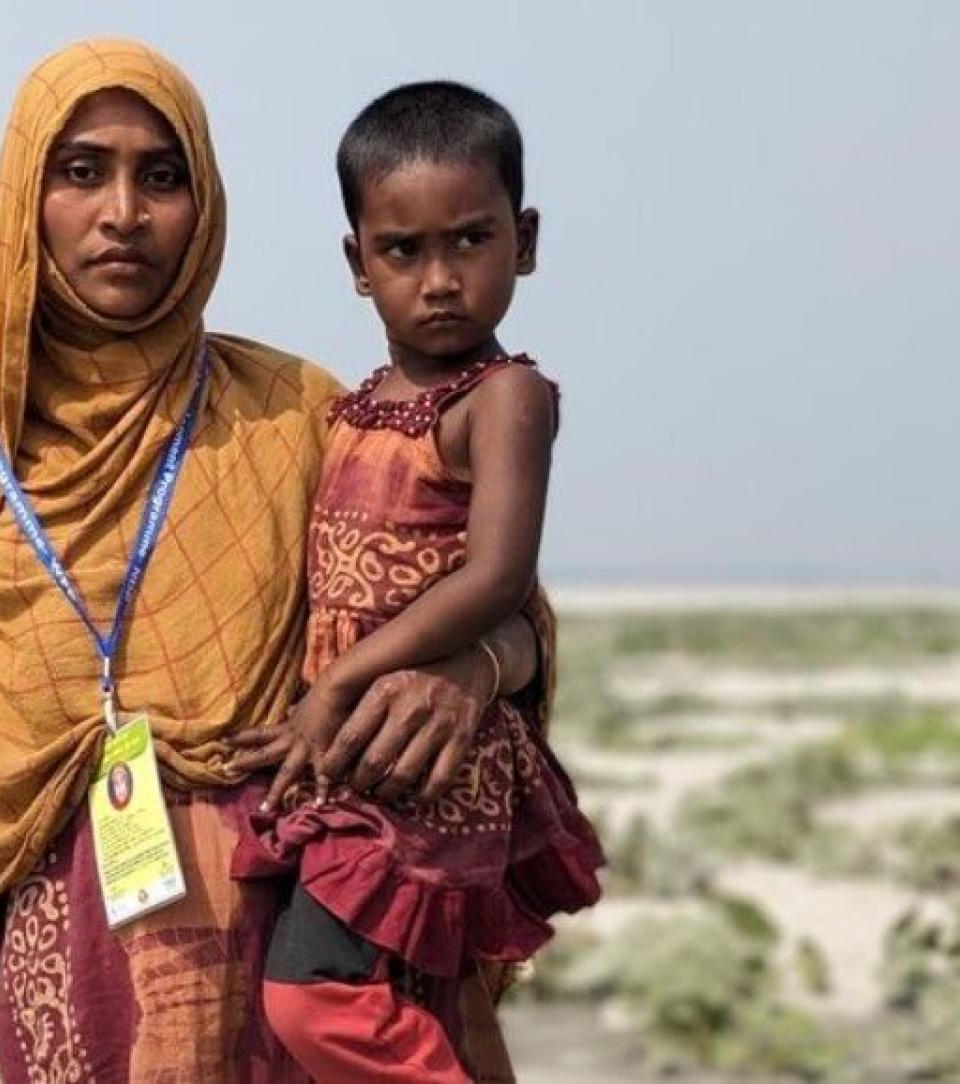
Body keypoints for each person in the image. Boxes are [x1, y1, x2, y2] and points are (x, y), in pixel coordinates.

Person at [0, 40, 545, 1082]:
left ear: (206, 203)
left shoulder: (293, 412)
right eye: (79, 170)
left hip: (291, 942)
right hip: (74, 974)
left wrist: (474, 671)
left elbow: (481, 591)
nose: (122, 213)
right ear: (22, 200)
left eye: (160, 174)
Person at [229, 82, 605, 1082]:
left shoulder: (503, 398)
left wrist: (337, 685)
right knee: (443, 1002)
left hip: (425, 761)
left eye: (470, 241)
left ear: (522, 241)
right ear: (358, 264)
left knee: (313, 997)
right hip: (354, 756)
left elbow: (494, 575)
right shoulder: (349, 408)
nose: (440, 279)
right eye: (403, 250)